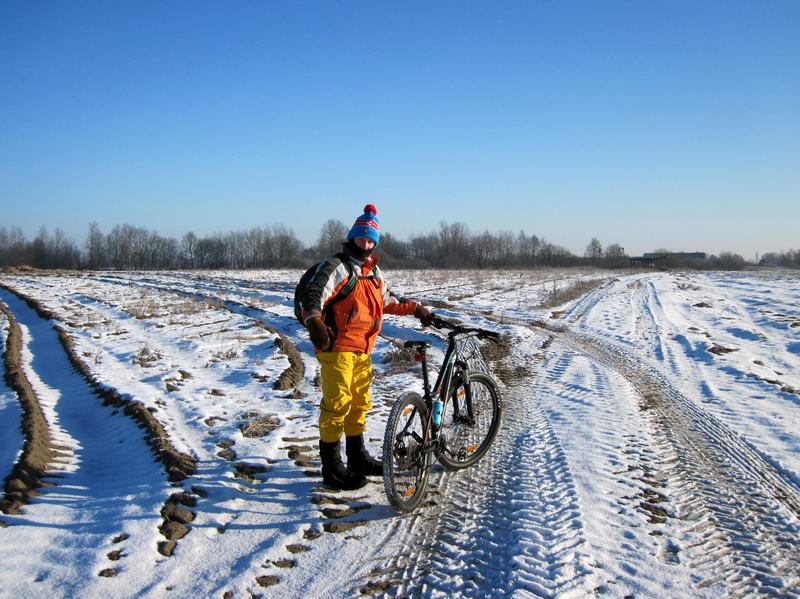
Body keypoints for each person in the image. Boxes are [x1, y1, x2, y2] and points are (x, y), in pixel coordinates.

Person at [299, 204, 432, 490]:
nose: (366, 244)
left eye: (372, 240)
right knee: (337, 406)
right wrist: (314, 321)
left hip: (363, 350)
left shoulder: (373, 273)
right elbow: (314, 294)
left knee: (359, 405)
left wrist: (417, 309)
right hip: (337, 348)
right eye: (362, 238)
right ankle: (332, 468)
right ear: (353, 237)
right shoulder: (338, 266)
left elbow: (388, 302)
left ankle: (357, 457)